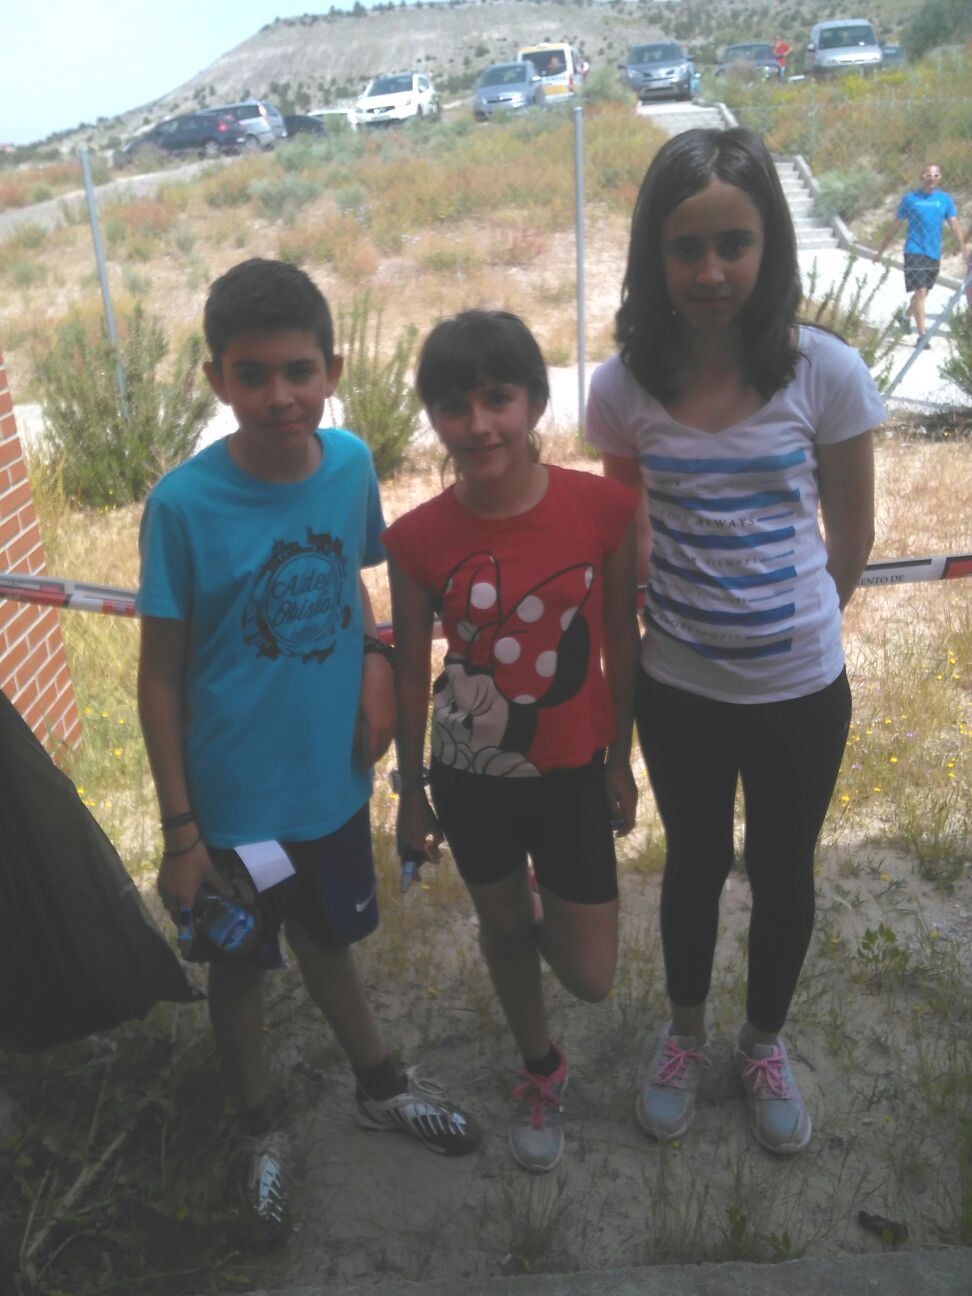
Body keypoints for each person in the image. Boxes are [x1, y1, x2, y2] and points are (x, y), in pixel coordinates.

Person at [136, 259, 479, 1239]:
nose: (279, 396)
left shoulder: (349, 465)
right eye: (252, 375)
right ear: (218, 381)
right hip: (232, 811)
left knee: (329, 940)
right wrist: (180, 832)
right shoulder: (182, 508)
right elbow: (159, 680)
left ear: (332, 369)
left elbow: (349, 584)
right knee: (241, 967)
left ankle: (378, 1085)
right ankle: (259, 1127)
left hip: (332, 785)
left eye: (298, 371)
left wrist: (374, 660)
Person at [586, 128, 882, 1156]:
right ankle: (684, 1036)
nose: (710, 271)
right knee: (696, 862)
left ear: (771, 247)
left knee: (784, 867)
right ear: (653, 256)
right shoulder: (623, 389)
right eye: (686, 248)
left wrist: (791, 635)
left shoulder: (825, 372)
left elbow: (852, 539)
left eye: (734, 244)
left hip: (803, 693)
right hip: (679, 691)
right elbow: (626, 549)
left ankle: (762, 1044)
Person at [384, 310, 640, 1173]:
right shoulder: (416, 539)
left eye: (497, 399)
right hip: (471, 774)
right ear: (432, 416)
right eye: (454, 406)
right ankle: (540, 1066)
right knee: (501, 930)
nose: (479, 424)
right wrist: (412, 792)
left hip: (572, 773)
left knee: (591, 976)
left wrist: (621, 758)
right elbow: (411, 672)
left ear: (533, 401)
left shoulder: (603, 508)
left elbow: (621, 642)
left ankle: (533, 904)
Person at [876, 163, 967, 345]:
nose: (931, 178)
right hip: (914, 250)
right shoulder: (910, 199)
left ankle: (905, 317)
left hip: (933, 252)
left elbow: (954, 223)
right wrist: (881, 250)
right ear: (921, 176)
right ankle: (922, 336)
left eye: (935, 175)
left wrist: (962, 245)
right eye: (928, 175)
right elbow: (896, 225)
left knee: (923, 294)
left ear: (939, 177)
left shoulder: (944, 200)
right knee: (921, 290)